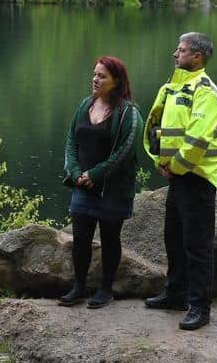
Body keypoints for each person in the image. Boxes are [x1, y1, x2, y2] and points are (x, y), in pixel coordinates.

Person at [143, 32, 217, 330]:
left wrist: (176, 166)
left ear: (197, 57)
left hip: (198, 178)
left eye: (181, 50)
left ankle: (200, 307)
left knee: (198, 245)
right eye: (177, 49)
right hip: (176, 177)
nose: (175, 54)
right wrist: (160, 162)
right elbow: (154, 126)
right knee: (174, 238)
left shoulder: (207, 92)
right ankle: (175, 293)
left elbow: (198, 138)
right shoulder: (172, 88)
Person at [59, 55, 143, 309]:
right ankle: (79, 287)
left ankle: (106, 289)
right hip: (82, 185)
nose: (95, 79)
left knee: (110, 238)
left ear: (116, 81)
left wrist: (95, 174)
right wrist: (75, 173)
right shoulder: (85, 105)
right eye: (95, 74)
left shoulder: (129, 112)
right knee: (80, 239)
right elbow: (71, 142)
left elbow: (125, 151)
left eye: (102, 76)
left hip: (112, 189)